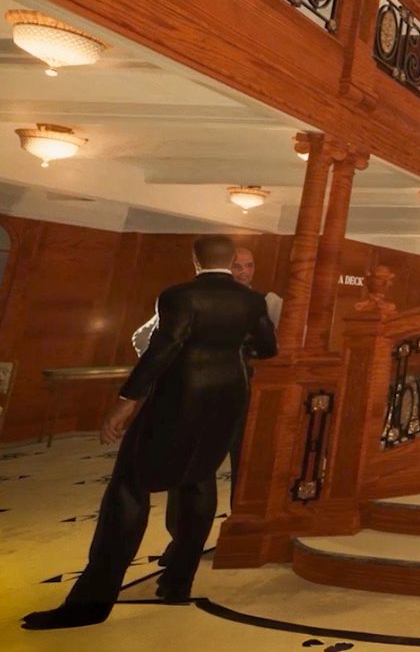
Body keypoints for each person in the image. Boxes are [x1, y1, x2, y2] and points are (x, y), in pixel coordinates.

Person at [22, 235, 277, 630]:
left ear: (196, 260)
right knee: (198, 478)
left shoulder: (179, 296)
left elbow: (164, 347)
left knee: (129, 486)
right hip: (229, 398)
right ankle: (177, 581)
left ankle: (91, 603)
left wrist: (127, 399)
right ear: (231, 262)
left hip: (181, 398)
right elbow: (268, 347)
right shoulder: (252, 302)